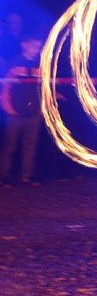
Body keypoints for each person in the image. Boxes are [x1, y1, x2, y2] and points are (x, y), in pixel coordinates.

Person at [0, 33, 43, 186]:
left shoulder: (40, 64)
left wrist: (40, 109)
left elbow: (43, 88)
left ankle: (26, 176)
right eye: (34, 46)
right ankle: (3, 177)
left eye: (38, 47)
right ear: (24, 45)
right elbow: (5, 87)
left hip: (33, 113)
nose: (36, 50)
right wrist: (8, 108)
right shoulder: (14, 63)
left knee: (29, 146)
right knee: (9, 146)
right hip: (15, 113)